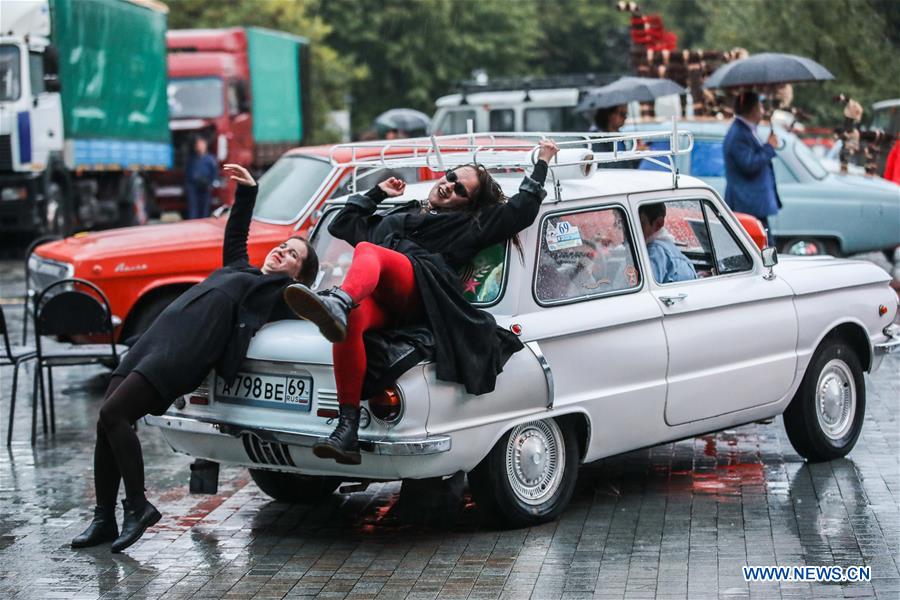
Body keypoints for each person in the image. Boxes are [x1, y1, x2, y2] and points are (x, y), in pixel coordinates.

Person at [71, 164, 319, 553]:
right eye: (283, 246)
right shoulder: (241, 268)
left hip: (182, 354)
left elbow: (308, 305)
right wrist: (248, 192)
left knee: (115, 415)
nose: (282, 252)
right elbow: (236, 235)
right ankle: (104, 519)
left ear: (298, 276)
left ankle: (137, 505)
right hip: (153, 340)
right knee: (107, 424)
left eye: (293, 255)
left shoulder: (275, 294)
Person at [284, 139, 561, 465]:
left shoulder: (469, 225)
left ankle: (339, 302)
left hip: (424, 294)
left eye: (460, 190)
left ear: (467, 204)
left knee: (369, 251)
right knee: (352, 320)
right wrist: (378, 193)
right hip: (384, 301)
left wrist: (543, 161)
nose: (449, 186)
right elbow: (342, 224)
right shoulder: (404, 211)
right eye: (450, 177)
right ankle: (347, 430)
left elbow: (521, 210)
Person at [723, 91, 781, 245]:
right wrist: (769, 147)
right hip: (747, 203)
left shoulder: (746, 130)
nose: (763, 111)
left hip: (752, 204)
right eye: (760, 106)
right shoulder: (738, 133)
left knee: (765, 246)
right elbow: (749, 164)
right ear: (753, 108)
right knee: (763, 248)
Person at [639, 203, 697, 284]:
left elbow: (646, 285)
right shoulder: (668, 247)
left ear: (658, 224)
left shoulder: (656, 250)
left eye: (641, 224)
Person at [185, 137, 218, 219]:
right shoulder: (192, 159)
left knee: (204, 207)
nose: (199, 147)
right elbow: (188, 172)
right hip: (193, 186)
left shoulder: (210, 159)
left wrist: (211, 183)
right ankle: (193, 223)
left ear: (205, 146)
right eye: (198, 145)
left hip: (205, 185)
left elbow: (214, 172)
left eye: (201, 145)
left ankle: (204, 221)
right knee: (193, 206)